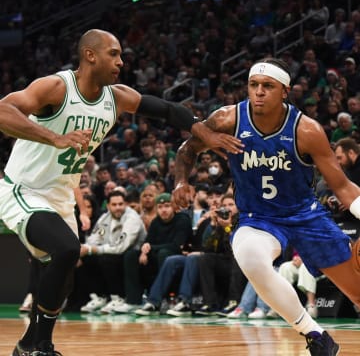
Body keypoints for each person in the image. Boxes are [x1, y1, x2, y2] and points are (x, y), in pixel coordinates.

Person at [0, 29, 242, 356]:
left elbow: (169, 110)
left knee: (65, 272)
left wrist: (205, 134)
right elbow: (3, 111)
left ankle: (29, 345)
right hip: (23, 189)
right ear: (90, 55)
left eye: (120, 54)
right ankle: (40, 346)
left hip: (59, 194)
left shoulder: (117, 97)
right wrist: (54, 138)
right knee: (68, 249)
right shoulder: (57, 87)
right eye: (113, 54)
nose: (121, 61)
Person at [173, 57, 360, 355]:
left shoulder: (306, 130)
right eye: (253, 85)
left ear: (285, 91)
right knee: (249, 255)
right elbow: (188, 148)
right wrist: (181, 182)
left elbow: (343, 187)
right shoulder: (227, 119)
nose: (258, 92)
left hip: (305, 216)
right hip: (258, 218)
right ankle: (316, 336)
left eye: (267, 86)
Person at [77, 190, 146, 314]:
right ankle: (100, 296)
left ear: (125, 204)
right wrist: (84, 249)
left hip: (133, 256)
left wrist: (94, 249)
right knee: (87, 257)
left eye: (120, 204)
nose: (118, 207)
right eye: (114, 205)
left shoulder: (132, 218)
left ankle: (118, 297)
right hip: (113, 254)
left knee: (106, 258)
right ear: (108, 206)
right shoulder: (105, 218)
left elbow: (121, 246)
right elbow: (96, 238)